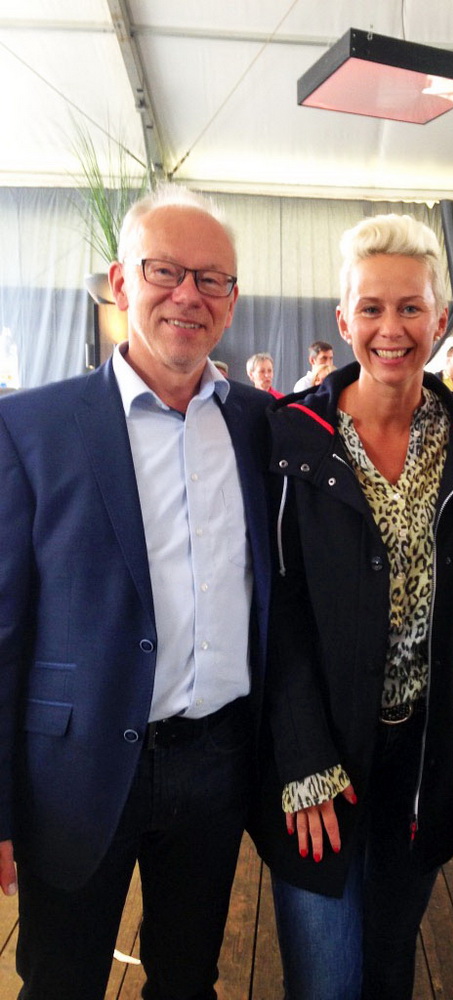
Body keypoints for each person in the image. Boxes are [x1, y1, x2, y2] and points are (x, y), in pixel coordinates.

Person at [0, 184, 274, 1000]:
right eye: (166, 271)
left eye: (212, 278)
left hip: (217, 760)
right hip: (74, 770)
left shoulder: (263, 426)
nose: (188, 294)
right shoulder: (33, 429)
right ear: (122, 282)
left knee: (188, 974)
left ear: (231, 300)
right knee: (61, 977)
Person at [253, 213, 453, 1000]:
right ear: (343, 320)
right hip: (316, 758)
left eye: (411, 309)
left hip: (422, 763)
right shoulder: (291, 438)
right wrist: (302, 757)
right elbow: (275, 603)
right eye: (371, 309)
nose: (391, 328)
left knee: (390, 967)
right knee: (327, 978)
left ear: (441, 320)